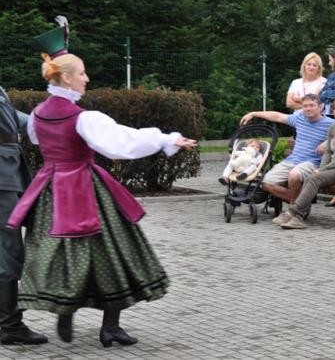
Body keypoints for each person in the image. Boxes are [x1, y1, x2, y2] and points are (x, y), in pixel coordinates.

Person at [5, 21, 197, 347]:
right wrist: (168, 139)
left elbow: (37, 140)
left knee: (59, 254)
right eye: (82, 73)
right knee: (115, 251)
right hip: (84, 190)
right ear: (67, 78)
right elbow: (121, 142)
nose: (87, 78)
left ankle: (66, 309)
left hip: (50, 193)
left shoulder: (37, 114)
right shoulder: (83, 118)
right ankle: (110, 327)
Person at [0, 86, 48, 345]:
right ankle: (9, 325)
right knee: (8, 254)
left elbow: (20, 120)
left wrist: (62, 120)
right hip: (2, 180)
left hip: (9, 175)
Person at [273, 96, 335, 229]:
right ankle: (298, 218)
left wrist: (322, 170)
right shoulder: (333, 127)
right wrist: (322, 168)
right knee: (311, 176)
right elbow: (327, 152)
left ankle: (292, 213)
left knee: (315, 177)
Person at [239, 94, 334, 205]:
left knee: (294, 175)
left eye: (311, 105)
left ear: (320, 107)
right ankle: (299, 202)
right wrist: (253, 114)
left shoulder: (330, 123)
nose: (308, 108)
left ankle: (295, 207)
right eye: (305, 106)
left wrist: (328, 142)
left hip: (312, 162)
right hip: (292, 160)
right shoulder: (299, 119)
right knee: (266, 183)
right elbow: (277, 116)